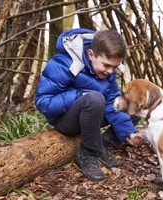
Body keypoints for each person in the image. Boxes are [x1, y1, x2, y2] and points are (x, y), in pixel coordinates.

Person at [35, 28, 142, 181]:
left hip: (93, 113)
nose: (110, 71)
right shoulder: (64, 63)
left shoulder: (108, 71)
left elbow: (113, 103)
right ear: (91, 54)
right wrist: (79, 95)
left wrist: (128, 133)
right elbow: (43, 103)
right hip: (65, 120)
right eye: (106, 65)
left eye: (115, 67)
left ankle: (103, 144)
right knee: (94, 99)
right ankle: (88, 152)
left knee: (132, 105)